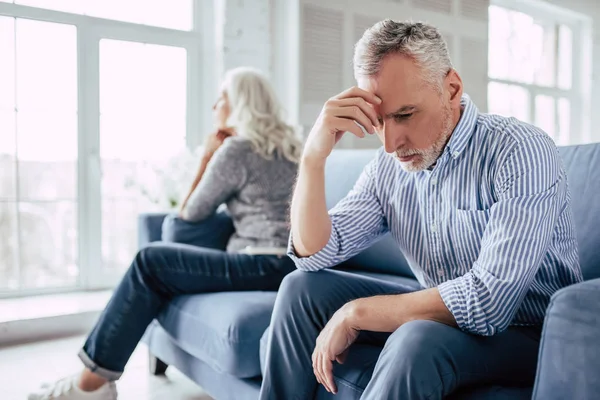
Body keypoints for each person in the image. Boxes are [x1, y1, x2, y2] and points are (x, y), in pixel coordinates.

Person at [259, 20, 583, 399]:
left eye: (405, 114)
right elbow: (315, 254)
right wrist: (313, 158)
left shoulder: (519, 151)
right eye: (379, 121)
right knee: (301, 289)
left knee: (418, 338)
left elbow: (490, 301)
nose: (391, 143)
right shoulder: (388, 168)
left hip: (529, 332)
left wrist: (356, 313)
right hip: (444, 313)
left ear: (452, 88)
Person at [29, 67, 303, 400]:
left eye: (221, 98)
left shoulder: (237, 150)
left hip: (261, 262)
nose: (215, 106)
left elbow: (190, 214)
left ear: (239, 105)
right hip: (291, 263)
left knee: (150, 260)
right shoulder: (293, 149)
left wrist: (206, 157)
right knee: (154, 266)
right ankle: (95, 380)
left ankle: (91, 383)